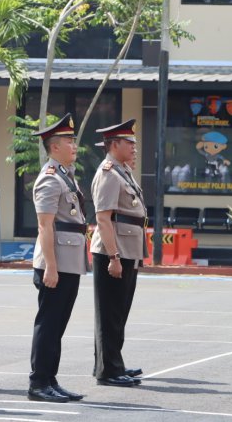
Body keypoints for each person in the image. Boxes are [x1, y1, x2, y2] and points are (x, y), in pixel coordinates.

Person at [27, 113, 87, 403]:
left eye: (73, 140)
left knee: (58, 325)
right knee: (48, 323)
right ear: (53, 148)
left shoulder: (65, 176)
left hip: (69, 261)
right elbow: (45, 225)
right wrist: (51, 266)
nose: (74, 146)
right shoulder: (50, 179)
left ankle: (50, 379)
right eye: (68, 141)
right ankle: (38, 383)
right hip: (56, 263)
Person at [89, 119, 146, 387]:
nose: (134, 147)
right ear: (114, 145)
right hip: (114, 252)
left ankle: (113, 362)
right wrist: (113, 256)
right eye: (129, 143)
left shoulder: (122, 171)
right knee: (110, 313)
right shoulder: (109, 173)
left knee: (118, 312)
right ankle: (109, 370)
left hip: (127, 250)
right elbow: (103, 218)